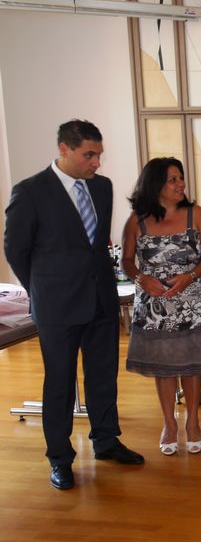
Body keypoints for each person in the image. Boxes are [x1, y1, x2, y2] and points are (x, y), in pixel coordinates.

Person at [4, 120, 144, 490]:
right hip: (57, 306)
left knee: (103, 376)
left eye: (99, 155)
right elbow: (15, 250)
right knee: (60, 383)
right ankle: (60, 458)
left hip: (100, 300)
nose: (96, 162)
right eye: (89, 155)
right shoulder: (30, 191)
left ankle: (106, 441)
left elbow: (96, 245)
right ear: (64, 150)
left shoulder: (102, 187)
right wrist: (41, 289)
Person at [121, 158, 201, 456]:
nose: (180, 184)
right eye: (172, 179)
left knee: (191, 365)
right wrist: (141, 278)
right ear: (155, 185)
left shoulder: (195, 214)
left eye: (180, 178)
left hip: (191, 304)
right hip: (154, 307)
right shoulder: (136, 220)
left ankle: (193, 422)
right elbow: (127, 261)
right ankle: (169, 424)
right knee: (164, 368)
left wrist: (189, 277)